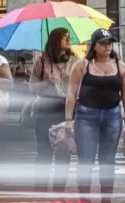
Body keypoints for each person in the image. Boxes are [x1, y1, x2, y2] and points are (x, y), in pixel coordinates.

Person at [65, 28, 125, 203]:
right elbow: (71, 94)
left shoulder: (121, 66)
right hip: (86, 116)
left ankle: (106, 200)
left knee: (108, 162)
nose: (107, 46)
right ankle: (85, 200)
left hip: (112, 116)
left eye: (109, 42)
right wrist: (68, 120)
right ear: (94, 46)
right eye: (102, 43)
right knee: (85, 161)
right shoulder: (82, 65)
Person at [29, 28, 74, 193]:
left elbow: (79, 86)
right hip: (45, 111)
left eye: (69, 37)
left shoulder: (75, 61)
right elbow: (32, 88)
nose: (69, 40)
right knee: (44, 152)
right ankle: (40, 190)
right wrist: (46, 83)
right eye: (65, 38)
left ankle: (59, 191)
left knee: (64, 153)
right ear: (56, 41)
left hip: (66, 112)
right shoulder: (41, 61)